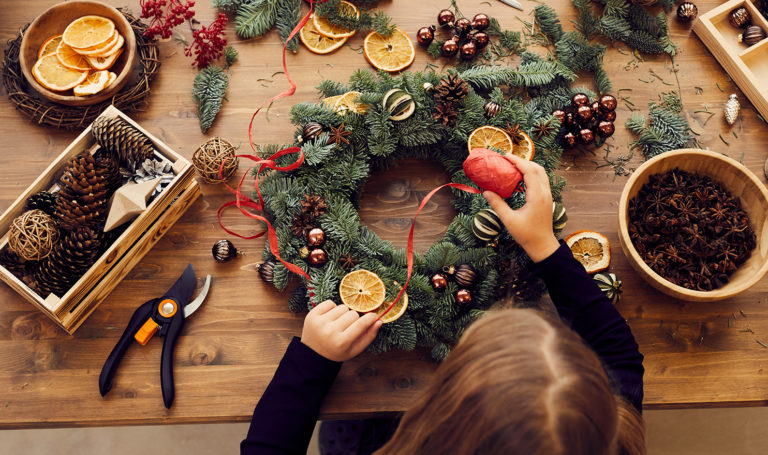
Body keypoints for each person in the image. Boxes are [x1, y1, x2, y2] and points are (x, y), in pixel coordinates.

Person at [241, 155, 645, 454]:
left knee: (347, 434)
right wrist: (544, 246)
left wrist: (312, 362)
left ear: (441, 419)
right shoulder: (608, 433)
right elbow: (620, 355)